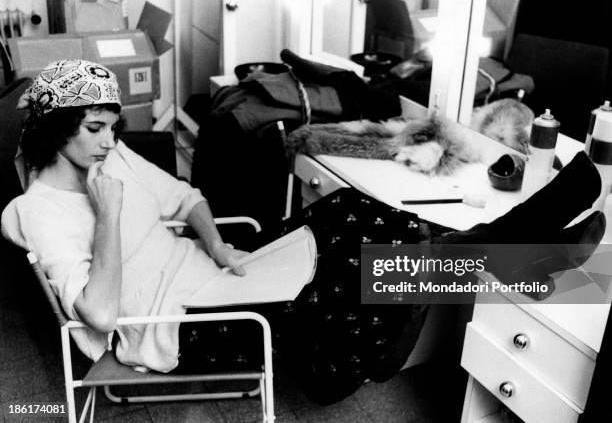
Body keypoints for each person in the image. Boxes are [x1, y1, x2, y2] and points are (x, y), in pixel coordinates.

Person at [0, 59, 606, 404]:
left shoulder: (111, 159)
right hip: (175, 326)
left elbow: (187, 198)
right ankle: (522, 249)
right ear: (57, 130)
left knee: (356, 212)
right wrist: (107, 219)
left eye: (112, 127)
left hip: (212, 275)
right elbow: (100, 317)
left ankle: (517, 247)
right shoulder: (41, 211)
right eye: (96, 129)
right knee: (359, 266)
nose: (110, 142)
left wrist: (217, 244)